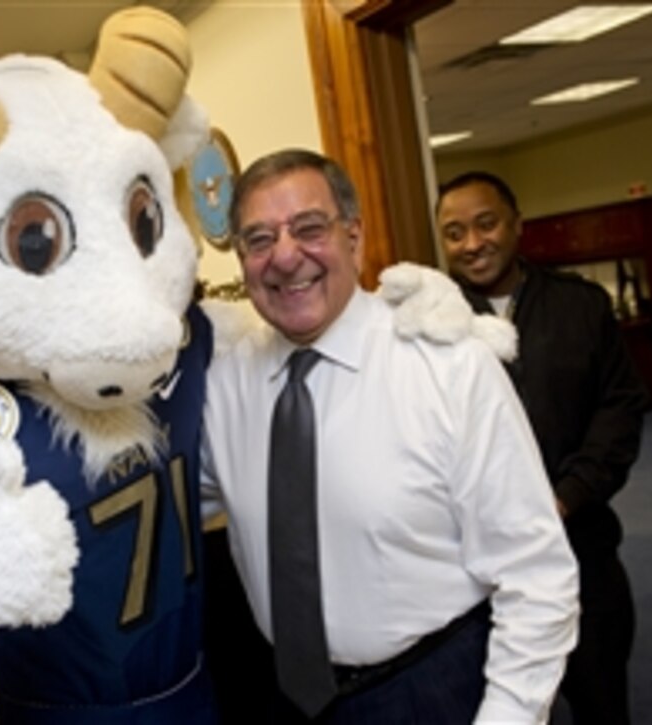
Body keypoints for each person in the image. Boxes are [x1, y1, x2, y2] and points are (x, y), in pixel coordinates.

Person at [200, 149, 579, 723]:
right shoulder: (228, 384)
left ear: (353, 238)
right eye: (258, 239)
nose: (284, 256)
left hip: (436, 689)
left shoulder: (449, 367)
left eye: (308, 228)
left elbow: (535, 572)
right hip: (285, 696)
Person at [435, 171, 647, 724]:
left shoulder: (582, 306)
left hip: (583, 548)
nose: (472, 243)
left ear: (517, 224)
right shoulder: (431, 328)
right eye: (454, 233)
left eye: (486, 224)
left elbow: (619, 410)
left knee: (602, 699)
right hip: (477, 571)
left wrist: (566, 496)